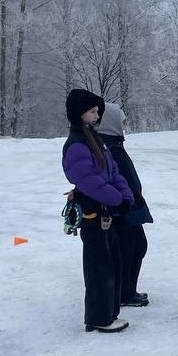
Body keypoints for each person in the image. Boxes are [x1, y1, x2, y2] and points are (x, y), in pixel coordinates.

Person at [63, 89, 134, 333]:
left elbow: (113, 171)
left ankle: (108, 312)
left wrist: (125, 196)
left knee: (112, 263)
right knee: (98, 268)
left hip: (108, 213)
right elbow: (88, 180)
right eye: (92, 112)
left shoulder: (94, 138)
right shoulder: (76, 144)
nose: (96, 116)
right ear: (78, 113)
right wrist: (116, 199)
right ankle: (98, 317)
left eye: (97, 112)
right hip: (94, 215)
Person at [96, 103, 151, 308]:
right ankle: (124, 294)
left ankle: (127, 291)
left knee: (136, 246)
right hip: (122, 209)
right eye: (121, 120)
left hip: (129, 206)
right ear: (111, 122)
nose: (124, 124)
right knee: (129, 249)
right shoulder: (108, 147)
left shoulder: (113, 144)